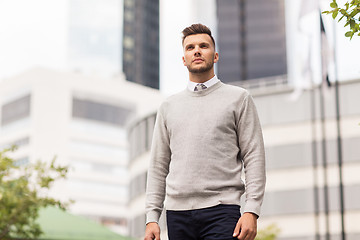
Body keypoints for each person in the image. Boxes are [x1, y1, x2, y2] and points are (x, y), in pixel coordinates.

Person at [144, 23, 266, 240]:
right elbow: (158, 166)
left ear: (215, 55)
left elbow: (254, 156)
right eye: (190, 48)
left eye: (203, 46)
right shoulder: (168, 106)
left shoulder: (239, 99)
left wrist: (251, 210)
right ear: (184, 59)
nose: (197, 51)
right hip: (177, 214)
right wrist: (152, 217)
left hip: (223, 211)